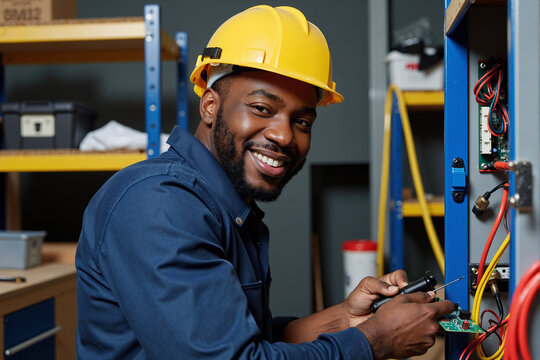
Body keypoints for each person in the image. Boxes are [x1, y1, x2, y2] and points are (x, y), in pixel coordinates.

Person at [76, 5, 454, 359]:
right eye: (262, 108)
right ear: (210, 105)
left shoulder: (225, 208)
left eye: (302, 121)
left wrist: (347, 319)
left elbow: (245, 338)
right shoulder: (160, 205)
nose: (285, 136)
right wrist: (374, 341)